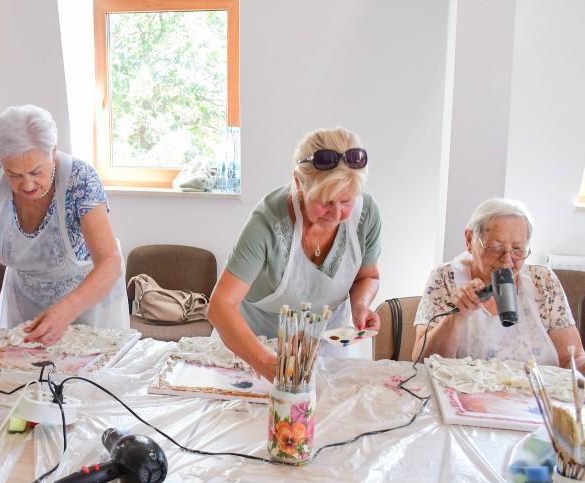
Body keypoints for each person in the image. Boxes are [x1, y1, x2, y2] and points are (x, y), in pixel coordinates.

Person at [0, 105, 128, 344]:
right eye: (14, 175)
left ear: (53, 151)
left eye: (36, 172)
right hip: (24, 304)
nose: (27, 185)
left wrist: (66, 310)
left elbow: (110, 262)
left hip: (88, 305)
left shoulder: (80, 180)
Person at [208, 127, 383, 382]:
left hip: (329, 344)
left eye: (347, 201)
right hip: (256, 347)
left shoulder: (367, 214)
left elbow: (368, 276)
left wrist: (361, 305)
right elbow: (220, 306)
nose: (337, 214)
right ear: (299, 184)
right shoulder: (267, 221)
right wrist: (268, 364)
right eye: (326, 202)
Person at [412, 197, 585, 372]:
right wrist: (457, 316)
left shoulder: (543, 281)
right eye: (494, 247)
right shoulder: (445, 278)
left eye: (517, 249)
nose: (507, 260)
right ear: (469, 240)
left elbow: (572, 357)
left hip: (534, 388)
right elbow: (422, 361)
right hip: (465, 389)